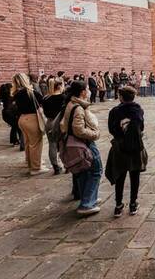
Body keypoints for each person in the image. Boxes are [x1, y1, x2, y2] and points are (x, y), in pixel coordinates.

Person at [60, 80, 102, 215]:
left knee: (84, 172)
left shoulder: (70, 103)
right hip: (84, 143)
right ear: (83, 92)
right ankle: (87, 204)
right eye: (87, 89)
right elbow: (78, 130)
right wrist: (94, 134)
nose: (88, 91)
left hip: (76, 143)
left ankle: (88, 197)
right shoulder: (77, 107)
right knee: (96, 170)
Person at [106, 86, 145, 217]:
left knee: (120, 176)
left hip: (119, 148)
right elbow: (142, 127)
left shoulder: (114, 111)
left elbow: (111, 129)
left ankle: (118, 205)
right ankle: (133, 204)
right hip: (135, 147)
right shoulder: (138, 110)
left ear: (121, 97)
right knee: (135, 176)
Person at [12, 73, 48, 175]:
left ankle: (30, 162)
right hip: (32, 118)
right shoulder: (30, 92)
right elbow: (42, 100)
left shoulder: (16, 93)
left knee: (28, 143)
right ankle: (36, 168)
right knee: (36, 144)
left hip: (22, 119)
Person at [42, 78, 66, 175]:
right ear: (59, 86)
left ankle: (55, 166)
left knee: (52, 144)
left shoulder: (46, 98)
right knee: (63, 144)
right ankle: (67, 165)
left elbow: (45, 112)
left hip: (49, 122)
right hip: (61, 122)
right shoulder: (63, 97)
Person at [0, 82, 23, 150]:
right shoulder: (9, 98)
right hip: (9, 114)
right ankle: (15, 141)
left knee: (16, 127)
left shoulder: (6, 97)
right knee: (16, 126)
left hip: (7, 114)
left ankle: (17, 140)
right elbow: (10, 108)